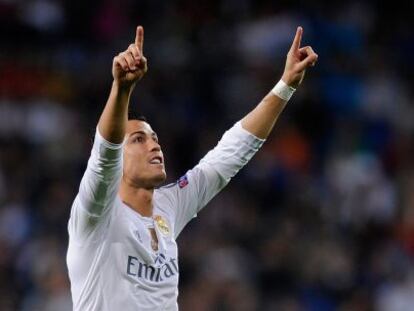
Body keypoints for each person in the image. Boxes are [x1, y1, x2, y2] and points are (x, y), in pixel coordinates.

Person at [66, 25, 318, 310]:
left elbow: (229, 154)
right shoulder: (95, 213)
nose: (154, 146)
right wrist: (121, 90)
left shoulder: (168, 205)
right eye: (138, 139)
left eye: (155, 139)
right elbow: (104, 158)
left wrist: (285, 86)